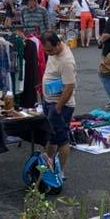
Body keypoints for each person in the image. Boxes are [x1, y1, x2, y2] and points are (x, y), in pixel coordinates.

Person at [39, 30, 76, 179]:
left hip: (60, 105)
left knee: (62, 138)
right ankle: (48, 165)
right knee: (51, 136)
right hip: (50, 101)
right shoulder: (54, 52)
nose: (47, 53)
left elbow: (69, 88)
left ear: (57, 45)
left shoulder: (67, 61)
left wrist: (58, 107)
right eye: (45, 50)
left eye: (49, 50)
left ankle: (61, 172)